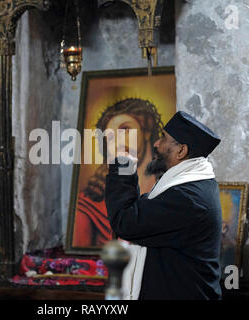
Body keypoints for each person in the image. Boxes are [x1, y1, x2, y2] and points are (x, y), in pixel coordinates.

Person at [105, 110, 223, 300]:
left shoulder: (188, 198)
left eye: (163, 138)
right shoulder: (191, 185)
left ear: (181, 151)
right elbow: (140, 211)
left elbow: (126, 221)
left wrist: (123, 167)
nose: (156, 144)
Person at [72, 98, 166, 248]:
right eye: (110, 137)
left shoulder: (168, 192)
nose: (118, 142)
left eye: (124, 130)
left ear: (146, 132)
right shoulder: (89, 205)